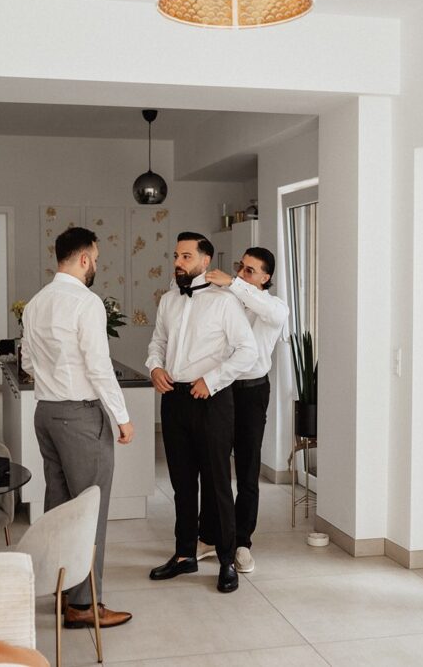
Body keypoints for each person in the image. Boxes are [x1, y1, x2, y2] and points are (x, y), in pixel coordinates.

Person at [21, 226, 134, 628]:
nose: (96, 267)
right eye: (97, 260)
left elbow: (27, 364)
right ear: (84, 258)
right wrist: (122, 416)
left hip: (46, 414)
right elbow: (99, 367)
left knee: (60, 506)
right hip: (80, 416)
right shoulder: (86, 303)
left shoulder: (35, 303)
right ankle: (84, 606)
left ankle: (59, 590)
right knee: (90, 509)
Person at [146, 231, 257, 593]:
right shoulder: (168, 300)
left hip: (211, 400)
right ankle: (184, 555)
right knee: (181, 484)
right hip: (174, 399)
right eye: (176, 256)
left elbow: (247, 351)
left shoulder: (226, 302)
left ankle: (226, 562)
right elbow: (158, 343)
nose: (178, 263)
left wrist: (212, 380)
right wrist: (154, 367)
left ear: (205, 261)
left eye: (186, 257)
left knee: (217, 484)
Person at [197, 248, 289, 574]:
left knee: (247, 471)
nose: (242, 273)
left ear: (265, 277)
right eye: (241, 267)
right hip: (222, 387)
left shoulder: (275, 307)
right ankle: (208, 535)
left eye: (250, 271)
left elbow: (266, 310)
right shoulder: (228, 298)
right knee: (213, 464)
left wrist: (234, 282)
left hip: (252, 393)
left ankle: (242, 543)